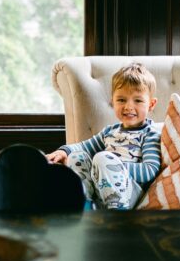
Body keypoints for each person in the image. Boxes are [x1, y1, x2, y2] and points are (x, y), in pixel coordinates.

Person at [46, 62, 162, 210]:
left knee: (102, 157)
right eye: (121, 100)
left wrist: (112, 165)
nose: (128, 107)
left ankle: (117, 212)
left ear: (151, 105)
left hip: (129, 194)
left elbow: (149, 170)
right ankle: (85, 203)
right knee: (77, 157)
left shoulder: (149, 133)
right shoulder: (109, 132)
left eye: (138, 100)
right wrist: (63, 151)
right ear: (112, 101)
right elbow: (84, 146)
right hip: (102, 189)